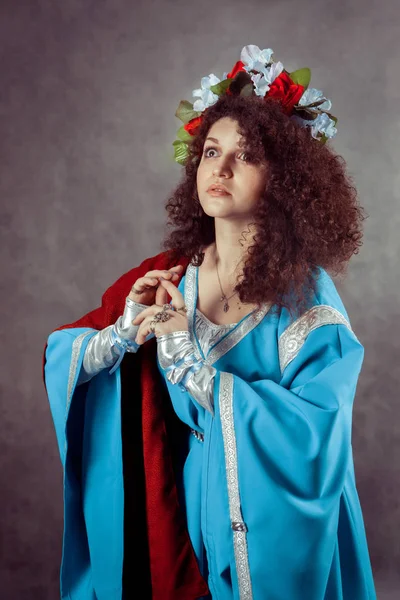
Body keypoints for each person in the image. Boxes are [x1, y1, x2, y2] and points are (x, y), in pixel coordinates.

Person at [42, 44, 377, 599]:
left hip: (261, 529)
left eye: (243, 156)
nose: (218, 170)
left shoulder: (307, 300)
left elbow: (315, 440)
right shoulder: (167, 275)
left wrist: (193, 370)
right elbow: (65, 357)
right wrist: (124, 337)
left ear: (286, 179)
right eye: (210, 152)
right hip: (172, 520)